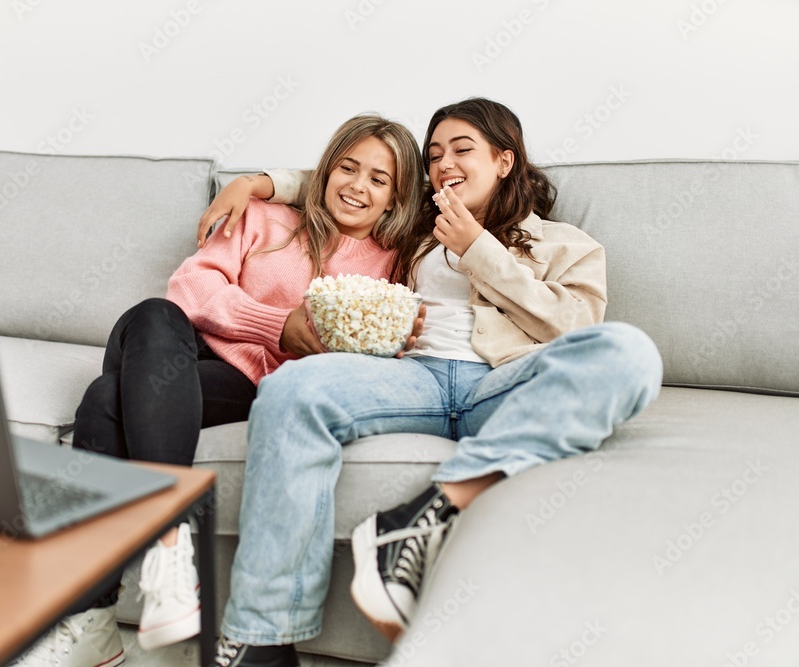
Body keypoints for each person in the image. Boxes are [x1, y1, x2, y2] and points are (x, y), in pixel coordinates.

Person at [199, 98, 663, 667]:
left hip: (502, 383)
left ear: (504, 160)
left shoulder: (566, 244)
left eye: (462, 150)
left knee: (629, 353)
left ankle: (426, 517)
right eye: (435, 154)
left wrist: (477, 249)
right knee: (293, 390)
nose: (444, 163)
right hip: (409, 376)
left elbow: (574, 327)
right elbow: (346, 181)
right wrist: (258, 182)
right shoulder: (418, 224)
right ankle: (261, 639)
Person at [8, 113, 424, 667]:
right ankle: (172, 544)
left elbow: (382, 341)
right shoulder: (263, 217)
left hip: (257, 383)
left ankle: (93, 621)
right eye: (348, 167)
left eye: (378, 179)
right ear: (325, 170)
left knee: (104, 402)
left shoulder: (397, 261)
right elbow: (193, 287)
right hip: (186, 354)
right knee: (153, 313)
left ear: (395, 198)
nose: (357, 185)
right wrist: (275, 325)